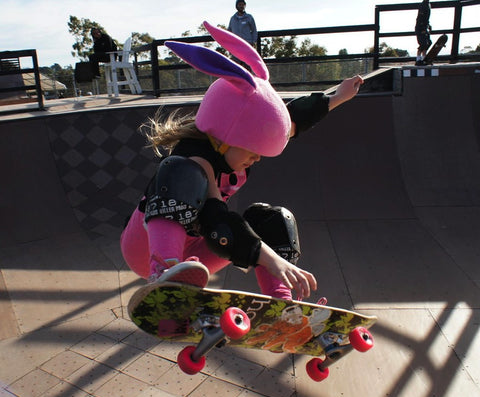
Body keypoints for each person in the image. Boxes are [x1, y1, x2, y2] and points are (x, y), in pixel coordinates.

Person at [120, 21, 363, 302]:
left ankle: (282, 305)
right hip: (147, 247)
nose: (257, 158)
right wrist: (269, 258)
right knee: (182, 173)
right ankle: (164, 274)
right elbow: (216, 219)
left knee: (272, 219)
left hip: (197, 254)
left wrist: (337, 98)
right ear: (228, 135)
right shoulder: (195, 156)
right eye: (252, 150)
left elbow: (290, 121)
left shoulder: (237, 144)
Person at [415, 0, 432, 66]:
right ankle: (418, 59)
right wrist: (421, 27)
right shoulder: (423, 5)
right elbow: (420, 17)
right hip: (420, 27)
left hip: (424, 27)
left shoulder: (428, 4)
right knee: (423, 44)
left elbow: (426, 18)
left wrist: (428, 25)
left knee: (428, 43)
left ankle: (423, 59)